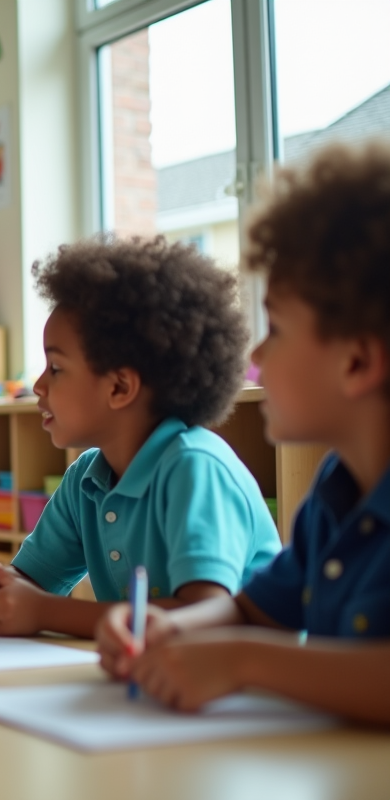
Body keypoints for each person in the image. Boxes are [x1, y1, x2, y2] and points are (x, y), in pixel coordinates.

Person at [96, 143, 390, 723]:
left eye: (276, 327)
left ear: (356, 362)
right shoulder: (339, 486)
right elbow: (255, 611)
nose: (256, 353)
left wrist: (243, 663)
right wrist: (171, 626)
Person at [0, 235, 281, 638]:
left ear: (119, 388)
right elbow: (30, 587)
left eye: (56, 368)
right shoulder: (86, 479)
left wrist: (42, 613)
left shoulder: (196, 468)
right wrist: (0, 591)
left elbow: (204, 615)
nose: (38, 385)